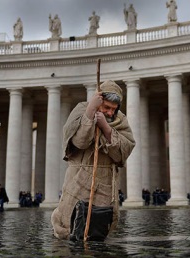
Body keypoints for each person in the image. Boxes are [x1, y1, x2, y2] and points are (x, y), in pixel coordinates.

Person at [51, 80, 136, 240]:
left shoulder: (121, 120)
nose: (111, 112)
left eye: (114, 108)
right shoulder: (82, 110)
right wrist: (90, 111)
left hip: (105, 180)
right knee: (71, 221)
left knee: (100, 226)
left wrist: (105, 127)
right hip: (79, 177)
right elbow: (79, 142)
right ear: (99, 101)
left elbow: (125, 149)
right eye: (106, 107)